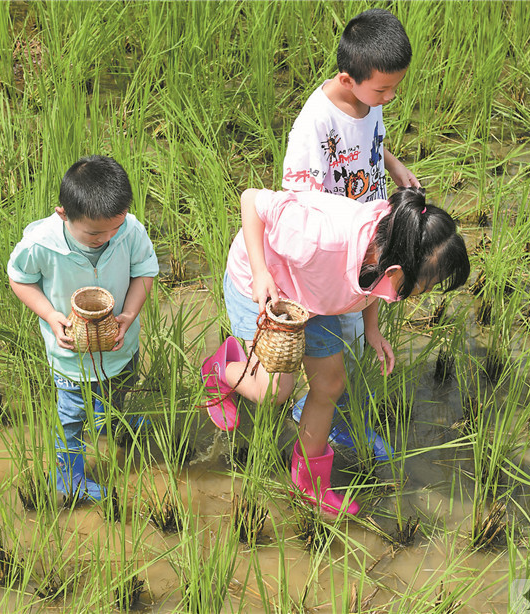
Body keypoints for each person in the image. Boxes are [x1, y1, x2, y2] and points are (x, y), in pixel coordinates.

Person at [201, 187, 469, 515]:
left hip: (316, 298)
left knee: (329, 383)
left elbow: (374, 288)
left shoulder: (390, 247)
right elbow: (251, 200)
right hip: (264, 289)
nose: (424, 293)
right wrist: (260, 273)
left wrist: (372, 328)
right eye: (424, 285)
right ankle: (219, 369)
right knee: (274, 392)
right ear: (398, 269)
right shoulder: (318, 237)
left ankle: (308, 482)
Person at [280, 8, 420, 459]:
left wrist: (392, 164)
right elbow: (297, 200)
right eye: (383, 89)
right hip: (337, 255)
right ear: (346, 79)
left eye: (395, 87)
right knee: (340, 347)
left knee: (358, 342)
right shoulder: (315, 124)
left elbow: (370, 139)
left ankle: (326, 411)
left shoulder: (368, 102)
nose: (390, 97)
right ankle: (324, 415)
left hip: (366, 247)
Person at [7, 155, 158, 503]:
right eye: (94, 233)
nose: (106, 238)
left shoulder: (129, 230)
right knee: (72, 416)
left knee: (120, 388)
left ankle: (113, 423)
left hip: (120, 344)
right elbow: (20, 280)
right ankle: (67, 478)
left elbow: (145, 271)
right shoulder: (41, 244)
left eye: (114, 228)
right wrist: (49, 315)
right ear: (64, 213)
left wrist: (130, 314)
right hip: (70, 355)